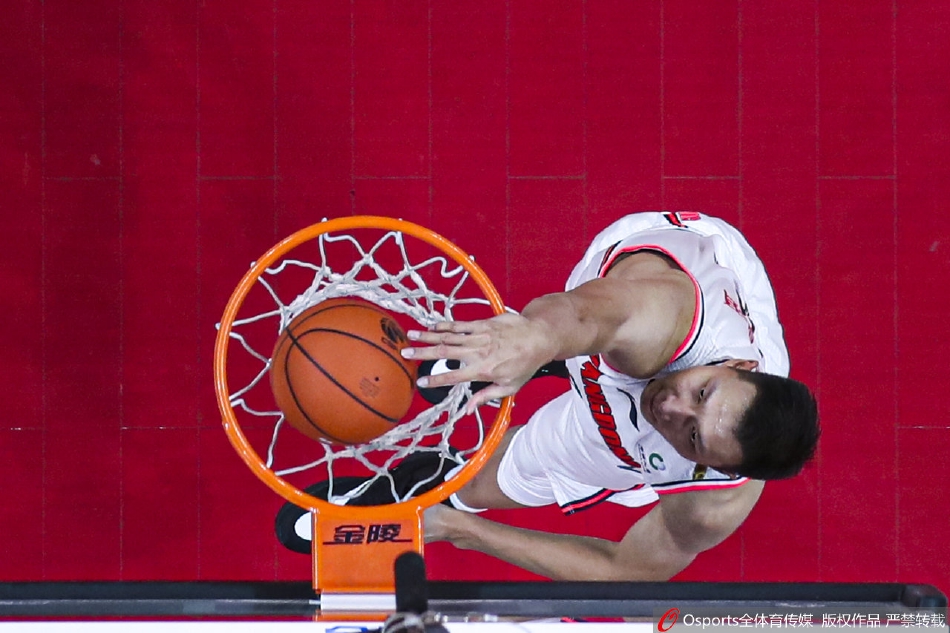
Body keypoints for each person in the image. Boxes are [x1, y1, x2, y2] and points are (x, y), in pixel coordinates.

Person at [274, 211, 819, 581]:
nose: (672, 409)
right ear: (739, 365)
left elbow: (625, 567)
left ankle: (432, 490)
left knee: (475, 486)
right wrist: (534, 339)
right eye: (702, 391)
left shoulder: (710, 500)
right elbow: (585, 313)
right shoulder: (667, 318)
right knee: (585, 337)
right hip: (648, 280)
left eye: (693, 437)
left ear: (708, 468)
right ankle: (526, 356)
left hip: (620, 429)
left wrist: (461, 531)